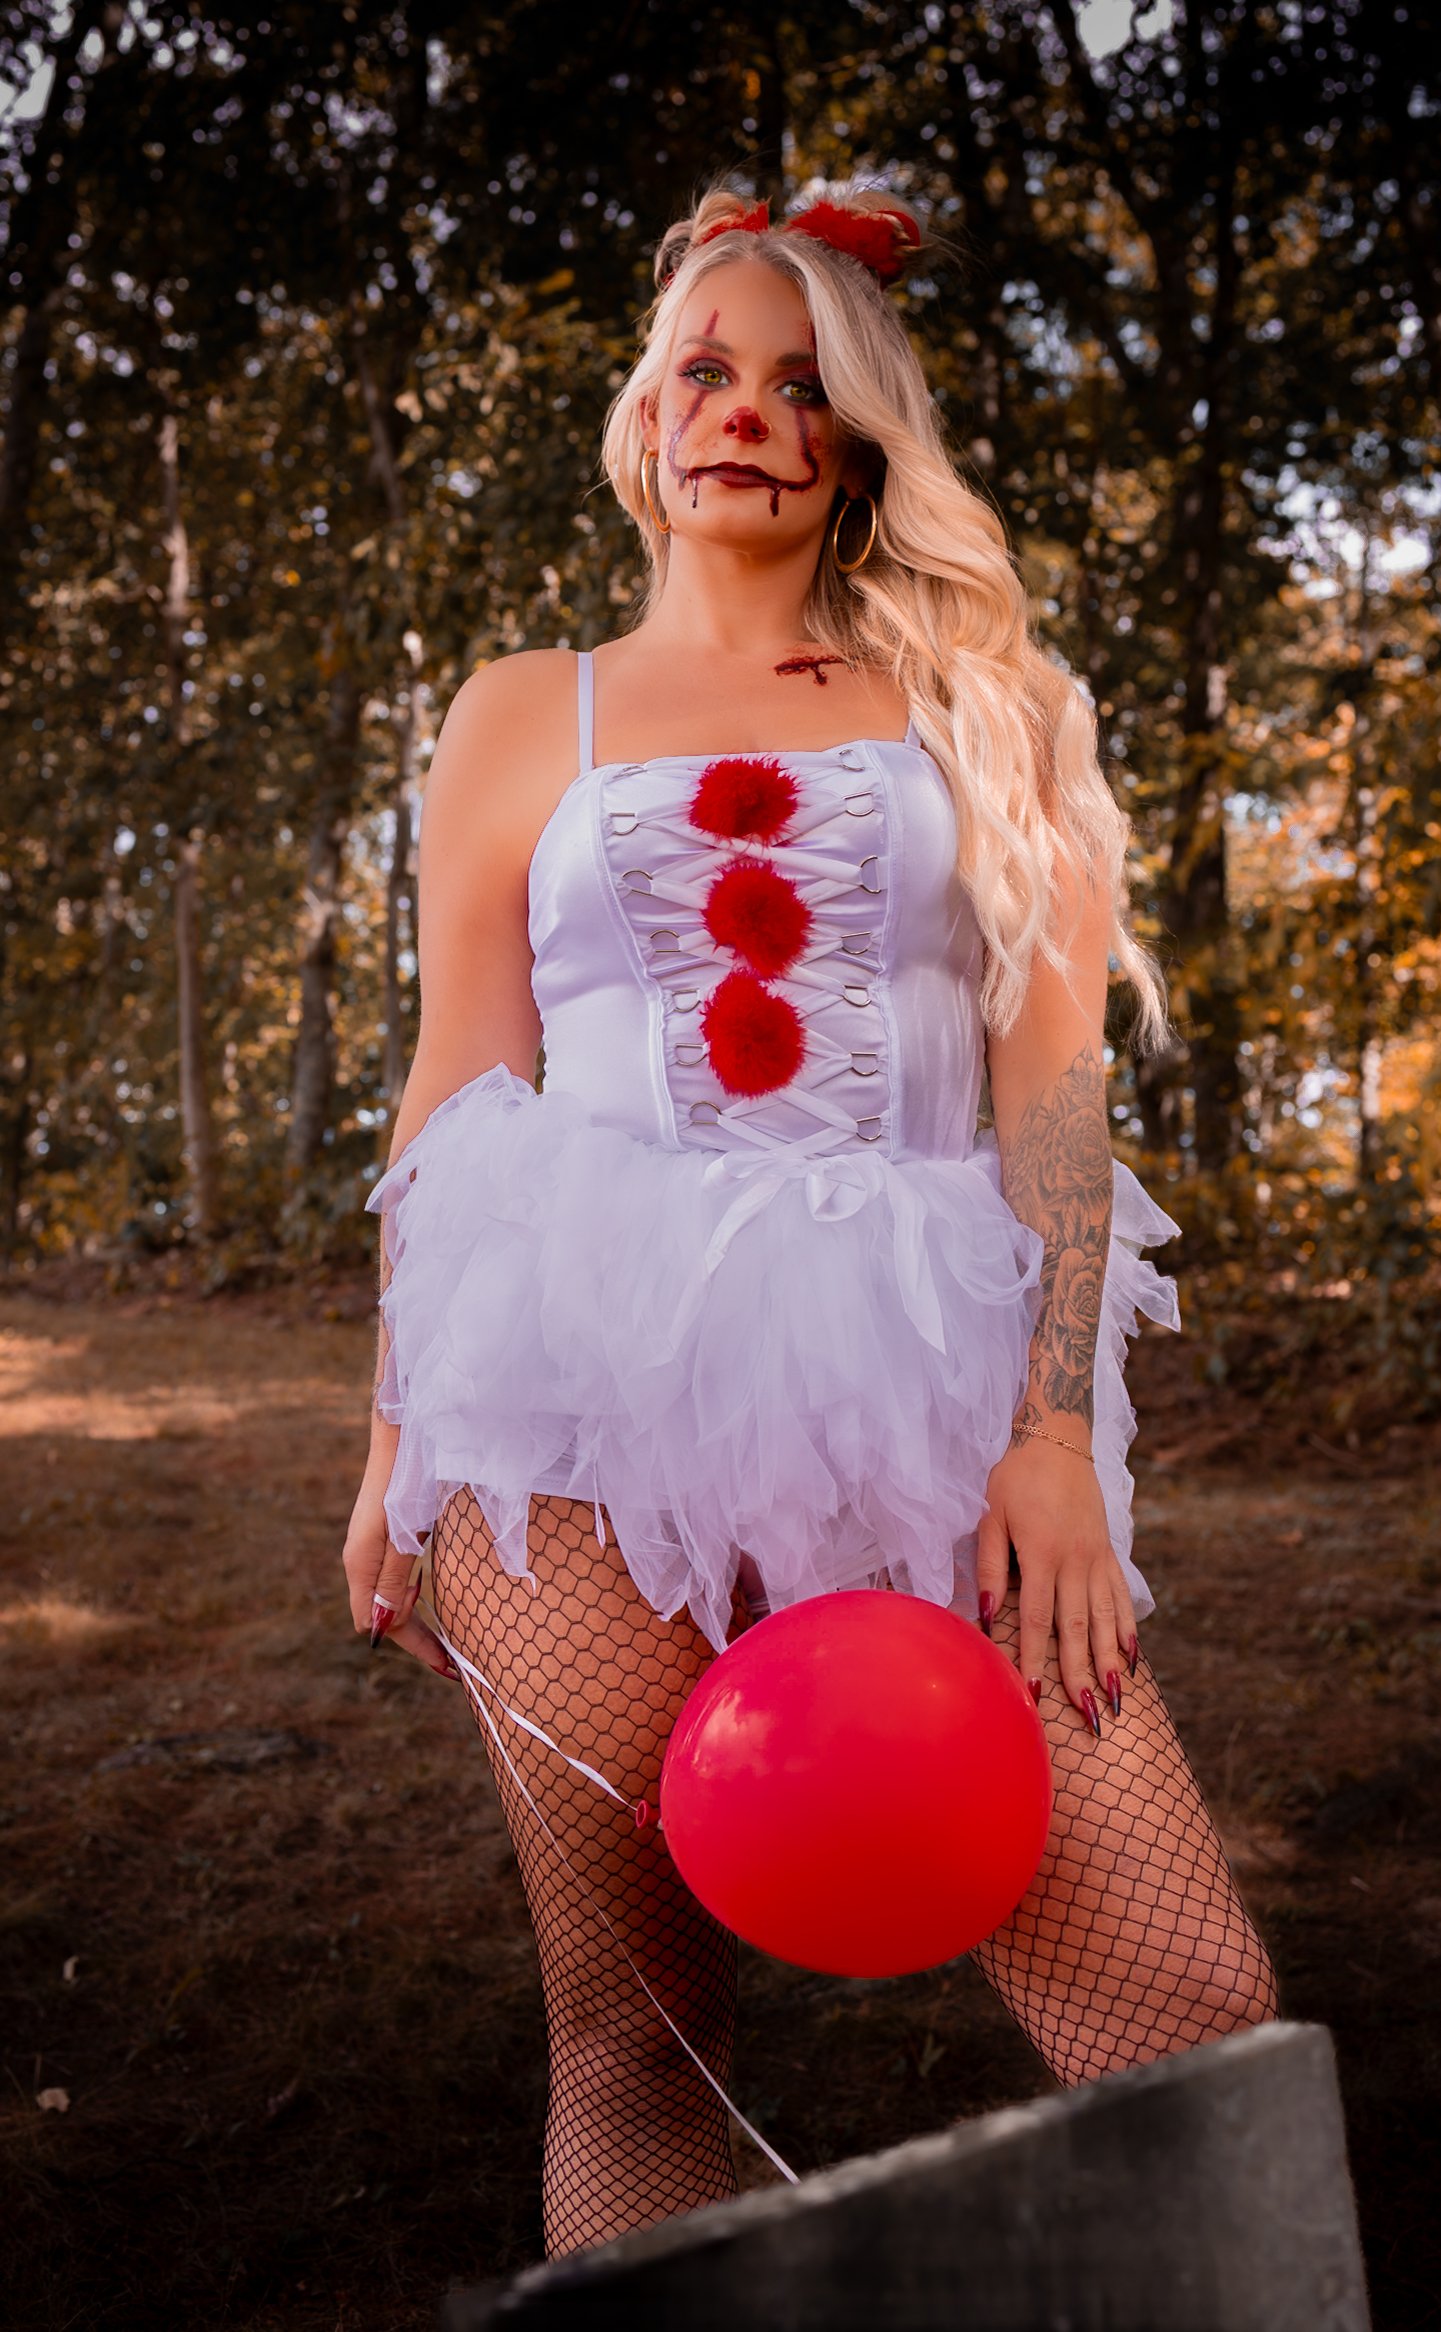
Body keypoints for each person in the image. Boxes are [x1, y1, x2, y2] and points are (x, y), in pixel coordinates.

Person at [342, 181, 1278, 2261]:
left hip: (934, 1390)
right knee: (636, 2030)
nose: (743, 411)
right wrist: (398, 1430)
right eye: (703, 367)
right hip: (565, 1395)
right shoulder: (520, 709)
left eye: (798, 382)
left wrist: (1047, 1437)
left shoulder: (991, 699)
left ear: (858, 438)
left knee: (1188, 2010)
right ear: (643, 414)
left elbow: (1051, 1090)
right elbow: (457, 1087)